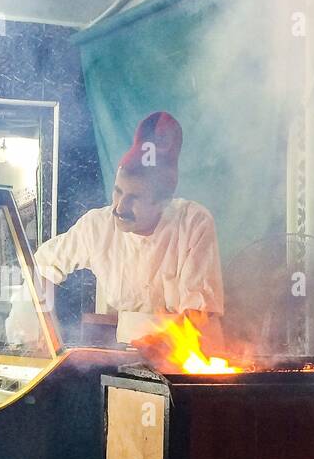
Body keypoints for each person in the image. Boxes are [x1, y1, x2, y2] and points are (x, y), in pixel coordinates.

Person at [33, 110, 224, 346]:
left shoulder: (193, 223)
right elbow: (42, 267)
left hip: (186, 352)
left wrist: (159, 345)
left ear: (163, 203)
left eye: (134, 198)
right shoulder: (97, 226)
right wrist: (45, 328)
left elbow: (199, 318)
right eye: (118, 192)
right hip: (125, 354)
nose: (119, 207)